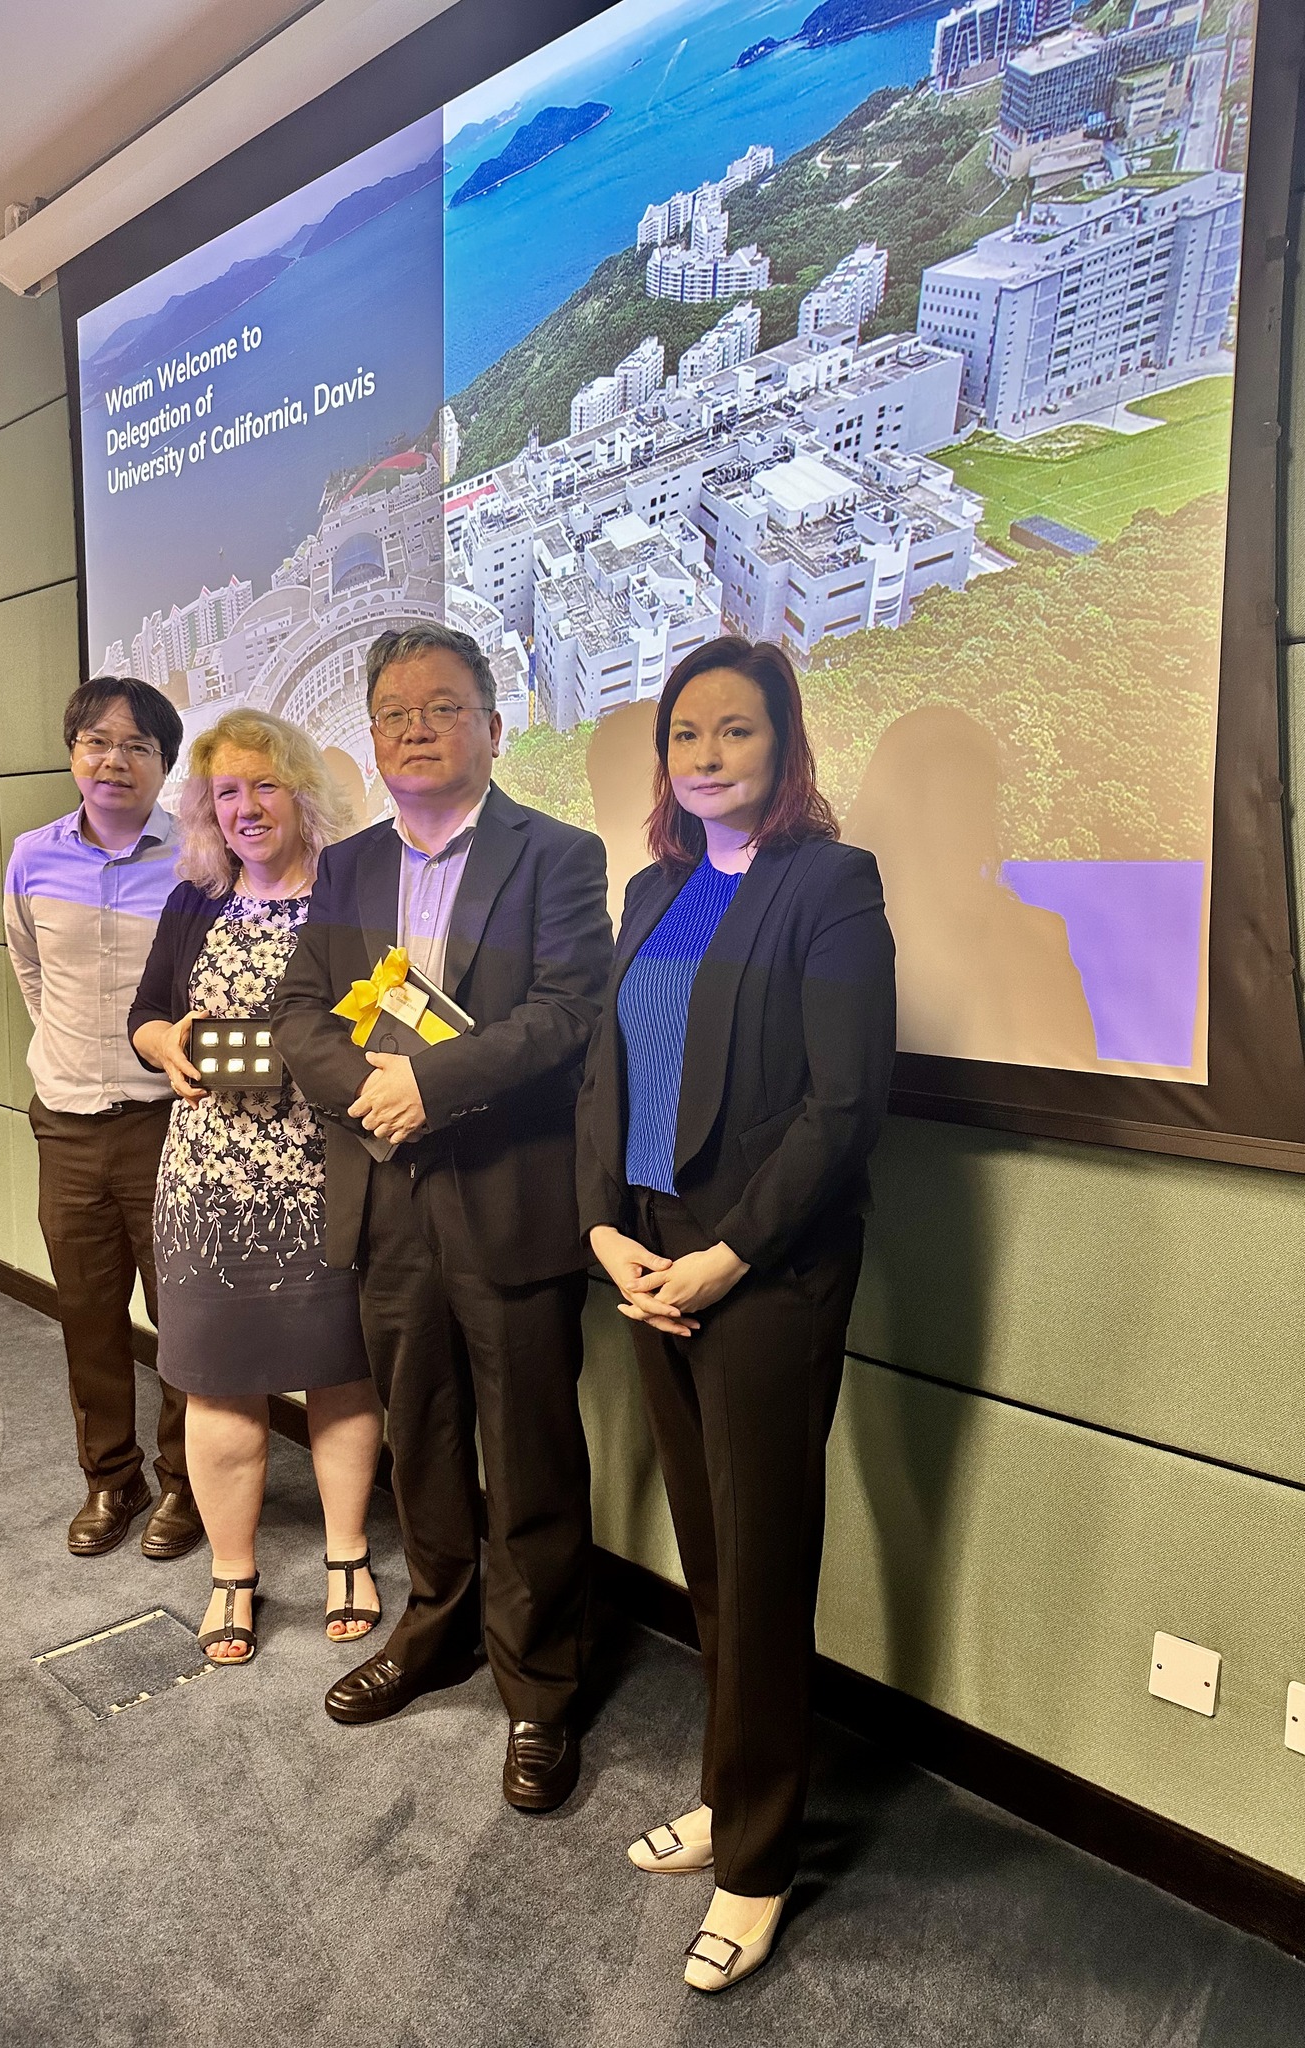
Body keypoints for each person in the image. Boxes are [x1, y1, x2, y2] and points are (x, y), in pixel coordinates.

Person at [576, 636, 896, 1994]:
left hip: (761, 1271)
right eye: (685, 735)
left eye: (736, 733)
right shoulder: (651, 887)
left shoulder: (830, 884)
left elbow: (843, 1104)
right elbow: (607, 1075)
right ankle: (732, 1781)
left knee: (761, 1562)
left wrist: (725, 1256)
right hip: (647, 1256)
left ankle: (758, 1860)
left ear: (783, 746)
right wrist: (604, 1230)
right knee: (710, 1552)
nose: (705, 757)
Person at [273, 621, 612, 1811]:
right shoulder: (351, 865)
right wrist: (370, 1093)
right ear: (372, 737)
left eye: (442, 706)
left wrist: (433, 1083)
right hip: (383, 1194)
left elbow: (572, 1010)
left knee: (527, 1449)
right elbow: (302, 1010)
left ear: (493, 726)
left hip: (510, 1198)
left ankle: (541, 1687)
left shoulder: (558, 854)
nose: (416, 728)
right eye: (395, 713)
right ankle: (437, 1628)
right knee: (419, 1435)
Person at [129, 710, 384, 1663]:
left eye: (265, 785)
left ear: (302, 793)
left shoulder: (354, 894)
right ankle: (233, 1574)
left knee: (338, 1369)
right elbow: (146, 1015)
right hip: (205, 1182)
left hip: (325, 1174)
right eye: (226, 792)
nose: (246, 808)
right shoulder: (195, 899)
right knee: (217, 1384)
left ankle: (347, 1554)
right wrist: (169, 1043)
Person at [4, 675, 200, 1561]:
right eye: (96, 742)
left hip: (169, 1123)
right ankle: (110, 1478)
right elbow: (32, 978)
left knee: (184, 1316)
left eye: (137, 747)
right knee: (87, 1314)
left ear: (165, 764)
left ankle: (187, 1485)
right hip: (69, 1122)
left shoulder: (197, 860)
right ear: (73, 751)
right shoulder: (30, 856)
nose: (114, 760)